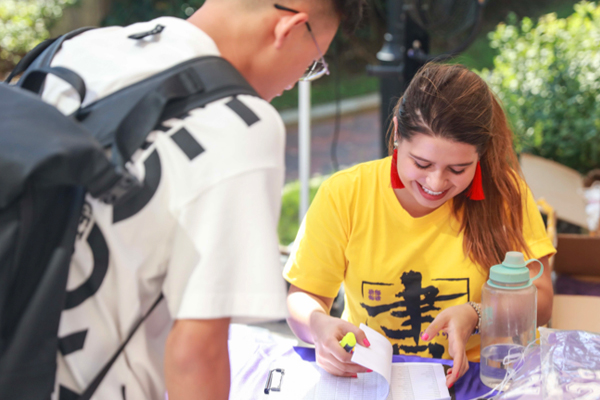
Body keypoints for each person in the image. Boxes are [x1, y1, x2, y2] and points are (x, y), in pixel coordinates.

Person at [41, 1, 366, 399]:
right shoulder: (239, 124)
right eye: (313, 63)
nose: (301, 78)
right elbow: (197, 352)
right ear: (290, 29)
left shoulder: (71, 51)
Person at [283, 63, 555, 389]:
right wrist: (319, 328)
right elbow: (304, 297)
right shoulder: (346, 193)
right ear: (397, 133)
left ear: (480, 155)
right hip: (371, 376)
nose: (435, 183)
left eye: (458, 169)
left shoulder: (505, 195)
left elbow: (541, 300)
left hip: (481, 378)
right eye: (421, 163)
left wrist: (478, 314)